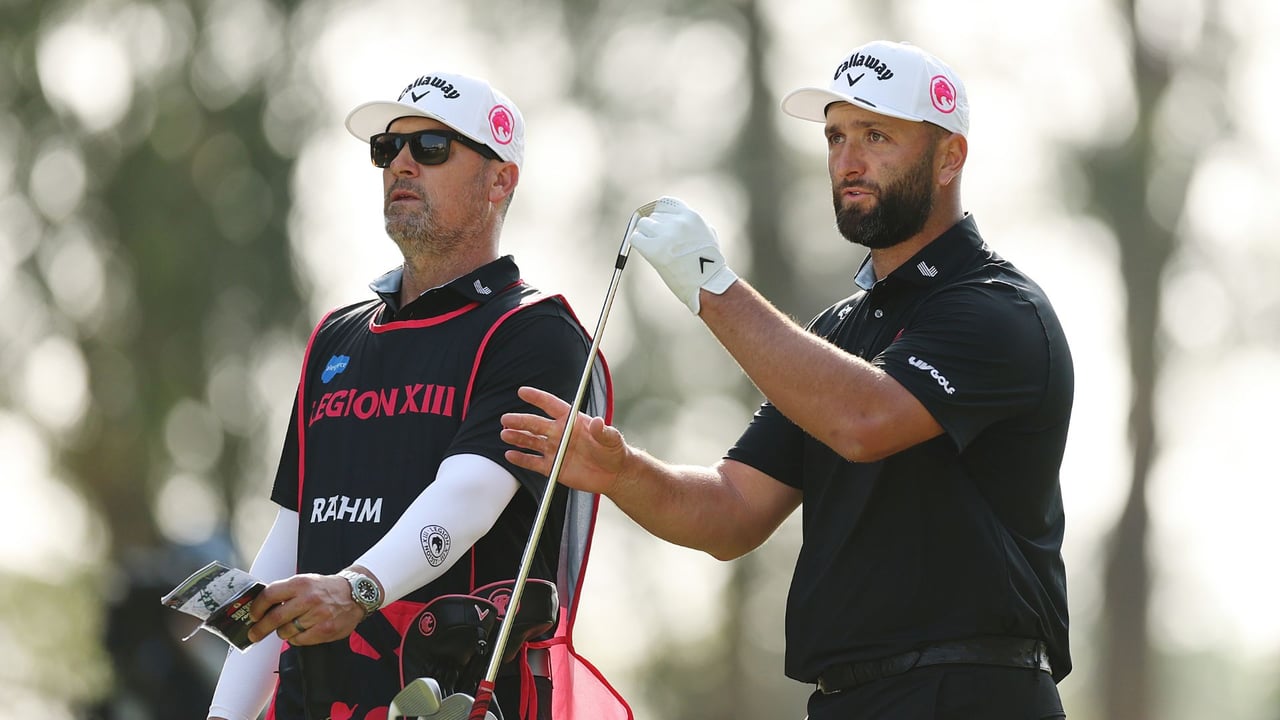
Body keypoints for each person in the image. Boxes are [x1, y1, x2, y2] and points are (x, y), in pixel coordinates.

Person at [501, 40, 1073, 720]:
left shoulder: (998, 308)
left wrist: (711, 284)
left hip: (971, 693)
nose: (847, 161)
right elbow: (732, 512)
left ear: (950, 156)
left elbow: (865, 421)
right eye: (835, 137)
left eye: (877, 135)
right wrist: (622, 472)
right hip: (847, 700)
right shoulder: (838, 332)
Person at [207, 71, 628, 720]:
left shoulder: (535, 333)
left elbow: (468, 499)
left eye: (431, 147)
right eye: (386, 147)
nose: (400, 162)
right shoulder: (333, 337)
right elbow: (291, 538)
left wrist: (357, 590)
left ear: (500, 180)